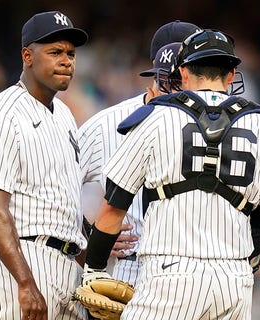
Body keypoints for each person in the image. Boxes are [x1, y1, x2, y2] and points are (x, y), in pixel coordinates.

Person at [82, 29, 260, 319]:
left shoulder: (157, 117)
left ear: (184, 72)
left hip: (170, 274)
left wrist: (94, 269)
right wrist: (246, 246)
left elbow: (114, 204)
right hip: (234, 280)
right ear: (231, 75)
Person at [0, 10, 89, 320]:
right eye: (55, 52)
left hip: (66, 261)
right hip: (22, 259)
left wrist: (95, 268)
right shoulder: (2, 114)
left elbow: (67, 203)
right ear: (27, 56)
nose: (67, 61)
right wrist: (25, 282)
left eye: (71, 53)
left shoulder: (63, 115)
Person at [79, 20, 200, 287]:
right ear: (156, 74)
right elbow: (56, 189)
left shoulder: (218, 121)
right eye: (173, 80)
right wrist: (87, 234)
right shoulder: (107, 125)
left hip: (200, 271)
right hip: (134, 269)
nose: (182, 88)